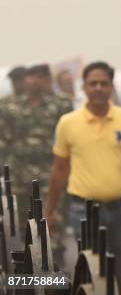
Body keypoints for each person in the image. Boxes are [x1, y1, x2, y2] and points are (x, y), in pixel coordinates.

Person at [45, 61, 121, 294]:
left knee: (117, 268)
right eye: (93, 83)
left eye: (103, 83)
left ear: (111, 87)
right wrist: (50, 211)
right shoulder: (68, 123)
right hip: (83, 210)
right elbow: (59, 170)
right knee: (90, 268)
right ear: (84, 88)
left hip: (120, 209)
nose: (98, 88)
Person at [0, 64, 73, 265]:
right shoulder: (9, 106)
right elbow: (3, 141)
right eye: (31, 77)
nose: (34, 81)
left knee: (52, 224)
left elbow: (68, 141)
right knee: (24, 227)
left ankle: (54, 275)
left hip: (51, 174)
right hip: (19, 175)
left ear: (46, 80)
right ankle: (30, 276)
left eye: (40, 77)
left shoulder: (61, 105)